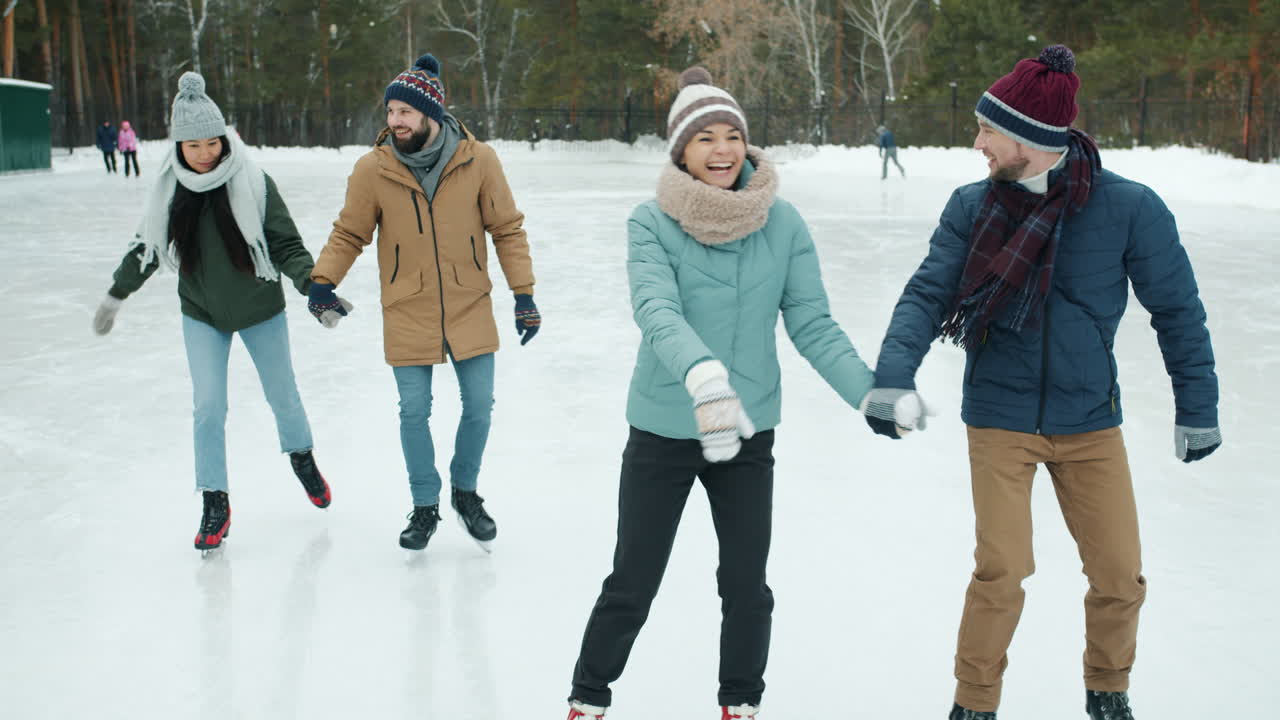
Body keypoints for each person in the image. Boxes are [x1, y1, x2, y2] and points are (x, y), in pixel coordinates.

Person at [861, 46, 1221, 720]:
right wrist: (891, 378)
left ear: (1028, 139)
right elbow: (926, 296)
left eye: (987, 130)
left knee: (1120, 576)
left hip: (1090, 422)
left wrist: (1197, 406)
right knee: (1003, 568)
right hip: (1000, 419)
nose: (977, 143)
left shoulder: (1129, 210)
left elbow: (1178, 313)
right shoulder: (972, 207)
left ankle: (1108, 691)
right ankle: (975, 703)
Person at [565, 66, 875, 720]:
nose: (722, 150)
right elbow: (657, 309)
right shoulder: (651, 222)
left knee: (745, 587)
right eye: (704, 137)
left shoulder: (782, 223)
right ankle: (587, 699)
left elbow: (812, 320)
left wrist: (868, 394)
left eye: (731, 134)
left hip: (748, 431)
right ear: (681, 150)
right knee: (632, 582)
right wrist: (705, 379)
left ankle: (741, 705)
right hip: (665, 428)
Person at [92, 72, 334, 553]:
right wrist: (117, 294)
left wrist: (315, 288)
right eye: (192, 144)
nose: (204, 153)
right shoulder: (168, 192)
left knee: (282, 395)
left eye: (212, 142)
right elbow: (147, 249)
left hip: (260, 306)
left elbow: (286, 245)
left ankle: (302, 457)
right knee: (208, 408)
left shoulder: (253, 182)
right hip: (201, 311)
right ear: (177, 145)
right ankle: (215, 501)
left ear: (225, 139)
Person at [308, 53, 539, 553]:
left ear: (430, 114)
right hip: (407, 303)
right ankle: (425, 504)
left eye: (404, 112)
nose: (395, 121)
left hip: (468, 301)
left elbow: (506, 229)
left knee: (479, 406)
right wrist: (323, 280)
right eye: (390, 112)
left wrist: (524, 295)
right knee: (414, 411)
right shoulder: (373, 168)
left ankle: (465, 491)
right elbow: (350, 231)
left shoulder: (479, 161)